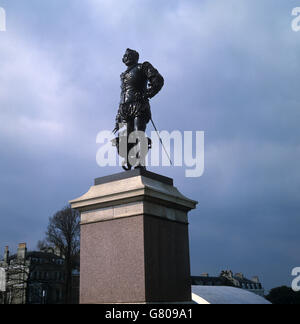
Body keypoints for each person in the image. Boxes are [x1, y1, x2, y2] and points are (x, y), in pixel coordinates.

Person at [113, 49, 164, 170]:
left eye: (129, 55)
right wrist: (118, 116)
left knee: (138, 132)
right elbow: (123, 94)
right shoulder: (123, 74)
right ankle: (129, 160)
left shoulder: (143, 67)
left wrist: (148, 93)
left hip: (138, 105)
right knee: (124, 136)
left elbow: (158, 79)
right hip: (124, 108)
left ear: (135, 57)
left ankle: (139, 161)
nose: (126, 57)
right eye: (125, 56)